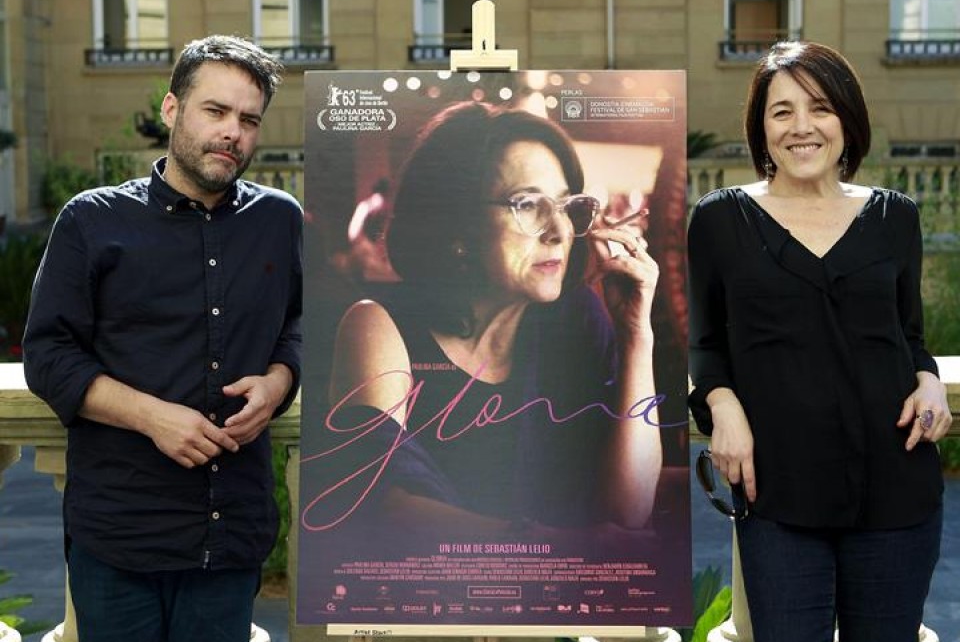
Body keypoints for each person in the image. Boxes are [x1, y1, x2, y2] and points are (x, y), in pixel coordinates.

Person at [22, 35, 302, 642]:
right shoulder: (90, 220)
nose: (233, 132)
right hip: (119, 535)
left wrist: (280, 380)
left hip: (231, 532)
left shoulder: (281, 220)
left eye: (248, 119)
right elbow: (46, 356)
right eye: (216, 111)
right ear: (172, 109)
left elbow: (301, 325)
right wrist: (153, 417)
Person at [687, 41, 953, 642]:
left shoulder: (895, 217)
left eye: (821, 108)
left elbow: (908, 335)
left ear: (847, 121)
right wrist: (722, 404)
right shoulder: (719, 220)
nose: (801, 127)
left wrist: (930, 378)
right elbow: (705, 343)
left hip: (896, 488)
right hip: (777, 494)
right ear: (761, 127)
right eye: (782, 112)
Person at [321, 101, 663, 543]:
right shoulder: (378, 324)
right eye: (527, 204)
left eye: (565, 206)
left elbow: (630, 511)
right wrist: (562, 548)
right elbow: (384, 508)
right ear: (457, 226)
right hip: (426, 602)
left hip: (561, 601)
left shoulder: (575, 318)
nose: (559, 230)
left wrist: (637, 335)